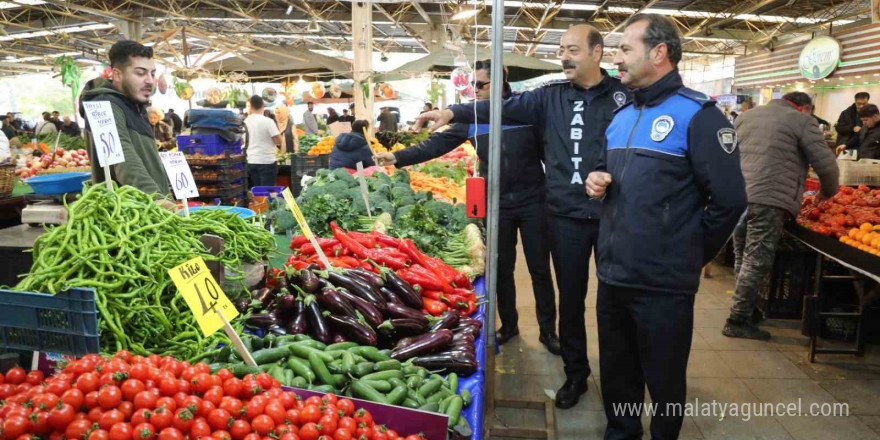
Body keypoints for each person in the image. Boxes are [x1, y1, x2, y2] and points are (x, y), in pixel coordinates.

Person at [415, 24, 630, 410]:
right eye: (562, 49)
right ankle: (576, 373)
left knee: (615, 303)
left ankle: (621, 384)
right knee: (572, 300)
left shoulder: (625, 97)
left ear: (597, 53)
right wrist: (452, 110)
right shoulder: (548, 98)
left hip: (615, 215)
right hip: (565, 215)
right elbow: (498, 106)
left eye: (573, 49)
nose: (564, 56)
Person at [584, 14, 747, 439]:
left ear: (659, 53)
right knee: (618, 373)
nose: (616, 58)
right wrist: (596, 179)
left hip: (663, 283)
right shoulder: (621, 114)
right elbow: (605, 170)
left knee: (665, 379)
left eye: (625, 48)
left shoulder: (699, 116)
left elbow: (730, 200)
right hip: (614, 273)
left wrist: (689, 254)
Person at [375, 59, 561, 356]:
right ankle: (510, 325)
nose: (474, 90)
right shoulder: (472, 116)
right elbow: (435, 145)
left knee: (540, 268)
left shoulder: (526, 111)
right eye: (472, 84)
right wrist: (397, 158)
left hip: (533, 200)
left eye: (480, 84)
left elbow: (551, 148)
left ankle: (548, 331)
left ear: (499, 81)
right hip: (496, 202)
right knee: (502, 268)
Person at [726, 92, 839, 342]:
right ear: (805, 108)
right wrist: (828, 191)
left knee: (743, 254)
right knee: (756, 259)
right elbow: (826, 164)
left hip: (737, 196)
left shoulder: (747, 116)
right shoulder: (801, 121)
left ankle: (746, 309)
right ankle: (737, 319)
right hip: (769, 197)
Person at [79, 40, 169, 196]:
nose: (149, 80)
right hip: (130, 214)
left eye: (152, 73)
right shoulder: (103, 105)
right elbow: (122, 160)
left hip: (152, 211)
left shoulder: (135, 106)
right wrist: (158, 199)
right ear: (117, 75)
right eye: (140, 73)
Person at [244, 95, 282, 187]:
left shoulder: (245, 122)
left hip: (251, 161)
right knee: (266, 192)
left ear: (251, 106)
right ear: (263, 105)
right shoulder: (268, 121)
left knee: (256, 191)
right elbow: (278, 140)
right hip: (267, 162)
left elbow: (243, 140)